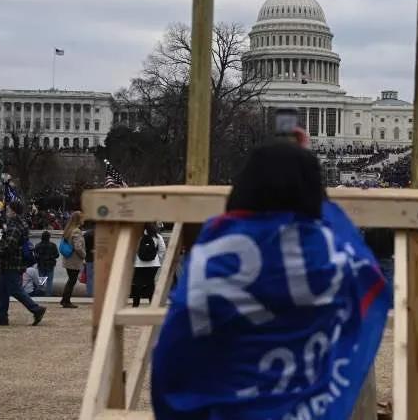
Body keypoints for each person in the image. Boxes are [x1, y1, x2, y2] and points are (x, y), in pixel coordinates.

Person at [150, 139, 390, 419]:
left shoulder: (213, 256)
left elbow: (173, 352)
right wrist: (306, 177)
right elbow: (363, 268)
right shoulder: (332, 255)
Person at [0, 201, 46, 327]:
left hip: (11, 263)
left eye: (8, 210)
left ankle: (36, 309)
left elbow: (10, 247)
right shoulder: (18, 224)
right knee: (2, 290)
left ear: (13, 211)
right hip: (14, 262)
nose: (6, 212)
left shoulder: (14, 226)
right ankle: (2, 316)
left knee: (15, 290)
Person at [132, 223, 166, 307]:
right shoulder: (157, 236)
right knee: (150, 283)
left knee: (137, 284)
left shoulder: (136, 236)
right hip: (153, 264)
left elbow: (132, 248)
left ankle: (135, 305)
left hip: (138, 264)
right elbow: (162, 249)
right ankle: (152, 304)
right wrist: (157, 258)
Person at [59, 211, 86, 308]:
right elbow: (78, 247)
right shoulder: (76, 231)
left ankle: (64, 300)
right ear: (78, 220)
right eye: (82, 218)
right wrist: (84, 255)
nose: (83, 220)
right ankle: (66, 301)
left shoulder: (69, 230)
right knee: (72, 281)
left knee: (71, 280)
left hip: (68, 260)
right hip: (74, 261)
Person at [33, 230, 60, 297]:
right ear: (49, 237)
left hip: (41, 264)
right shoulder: (53, 245)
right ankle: (48, 294)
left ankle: (41, 293)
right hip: (50, 265)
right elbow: (57, 255)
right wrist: (50, 257)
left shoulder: (37, 245)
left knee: (42, 280)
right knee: (49, 280)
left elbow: (35, 256)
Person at [83, 222, 95, 297]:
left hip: (89, 258)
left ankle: (90, 293)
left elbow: (83, 246)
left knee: (89, 277)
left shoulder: (86, 234)